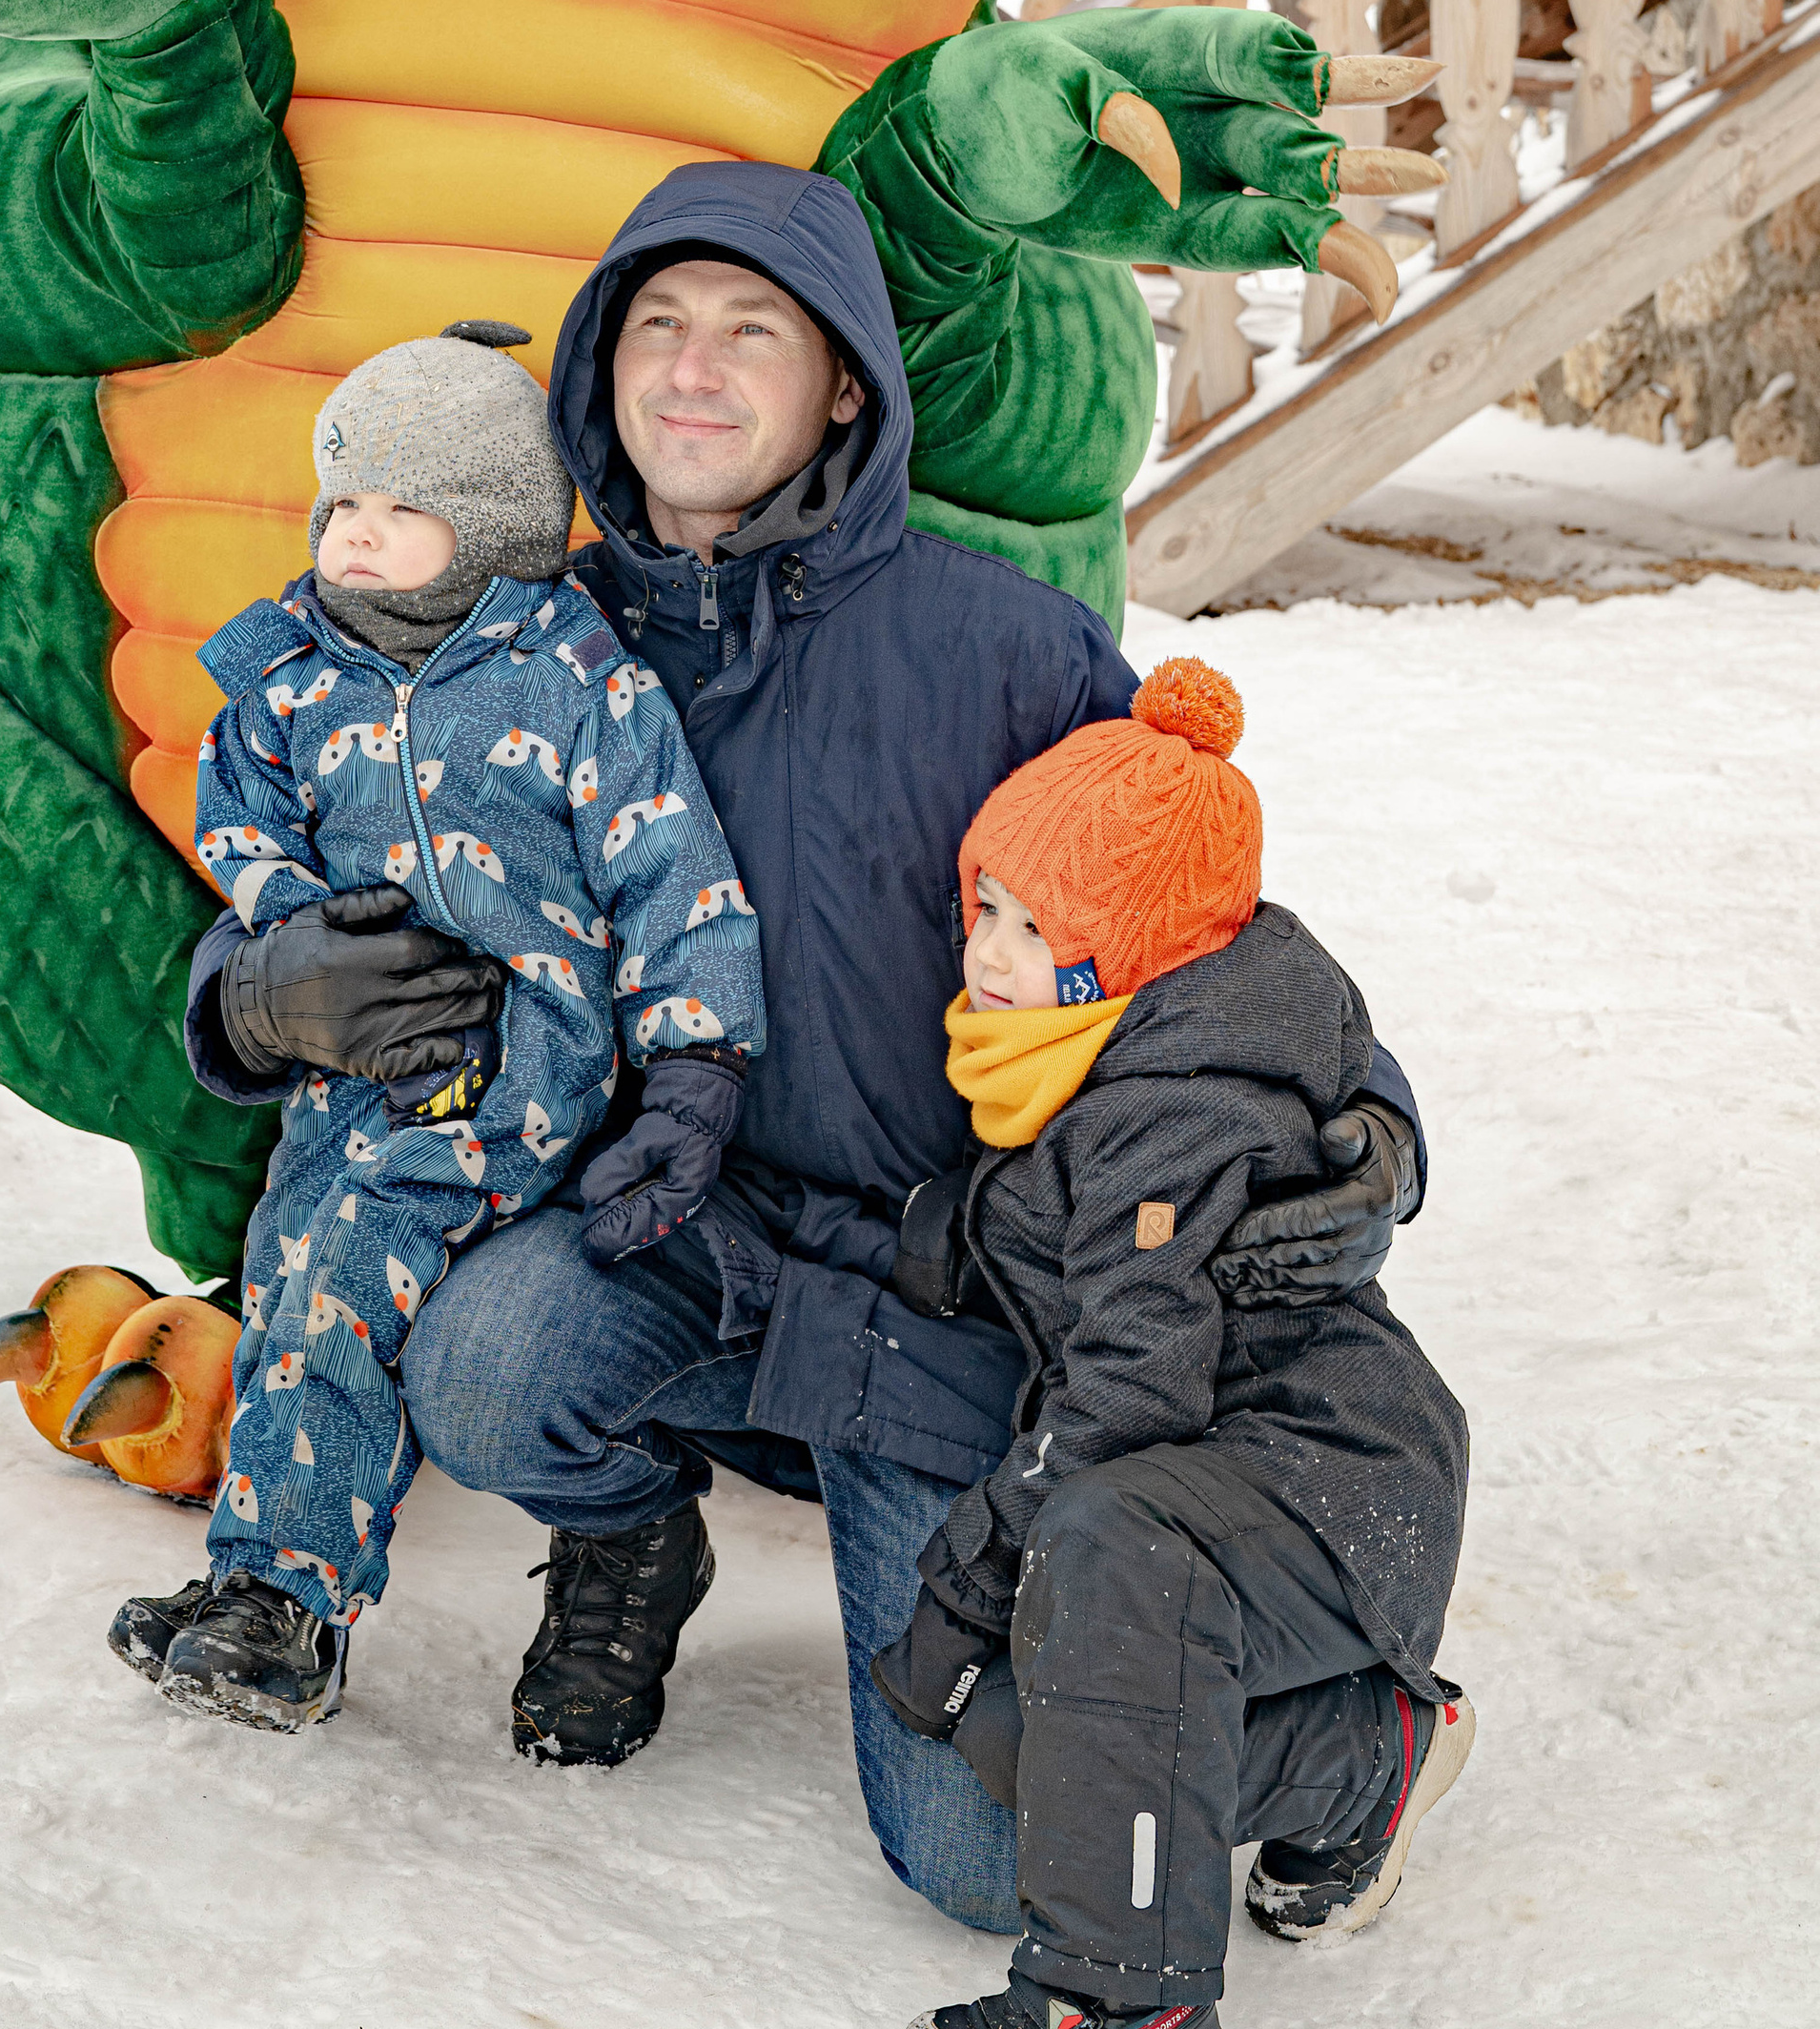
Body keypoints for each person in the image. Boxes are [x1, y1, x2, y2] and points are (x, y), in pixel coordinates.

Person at [128, 164, 1424, 1921]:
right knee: (486, 1359)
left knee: (983, 1862)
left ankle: (1358, 1750)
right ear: (597, 373)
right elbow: (331, 821)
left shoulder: (1002, 648)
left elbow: (1188, 907)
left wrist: (1359, 1117)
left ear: (844, 388)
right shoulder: (513, 634)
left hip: (950, 1301)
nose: (694, 368)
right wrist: (257, 998)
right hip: (682, 1233)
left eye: (755, 330)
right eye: (657, 322)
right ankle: (626, 1533)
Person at [127, 319, 767, 1732]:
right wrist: (287, 941)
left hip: (512, 1074)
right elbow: (237, 818)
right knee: (288, 1274)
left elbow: (678, 877)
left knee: (351, 1271)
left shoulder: (579, 684)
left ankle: (285, 1607)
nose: (355, 536)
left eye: (401, 510)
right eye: (343, 503)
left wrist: (696, 1063)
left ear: (489, 530)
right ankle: (253, 1572)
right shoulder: (292, 672)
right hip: (347, 1068)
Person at [875, 658, 1469, 2029]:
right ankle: (1361, 1758)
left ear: (1129, 951)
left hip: (1329, 1471)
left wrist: (962, 1579)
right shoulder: (1090, 1050)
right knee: (1028, 1731)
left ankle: (1130, 2011)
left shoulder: (1169, 1106)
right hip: (1227, 1483)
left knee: (1105, 1542)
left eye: (1034, 928)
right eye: (985, 911)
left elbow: (1125, 1399)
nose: (991, 955)